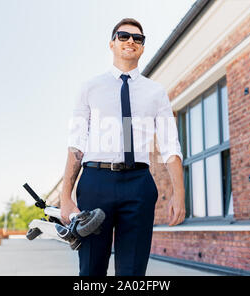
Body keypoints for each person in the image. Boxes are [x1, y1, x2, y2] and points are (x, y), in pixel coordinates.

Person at [60, 18, 185, 276]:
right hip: (96, 183)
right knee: (91, 271)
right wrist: (65, 196)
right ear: (112, 43)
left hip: (139, 184)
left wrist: (179, 193)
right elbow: (76, 144)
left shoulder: (156, 92)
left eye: (137, 38)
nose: (131, 41)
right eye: (124, 36)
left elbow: (170, 146)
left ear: (142, 47)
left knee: (132, 273)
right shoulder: (89, 88)